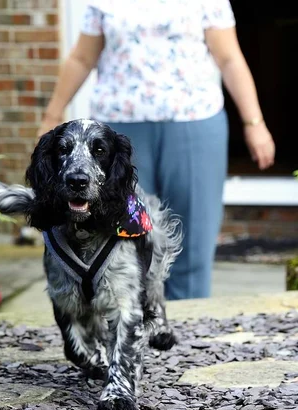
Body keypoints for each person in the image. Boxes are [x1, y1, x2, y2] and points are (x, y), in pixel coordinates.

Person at [37, 0, 275, 301]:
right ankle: (129, 328)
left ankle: (191, 325)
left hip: (195, 122)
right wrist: (51, 116)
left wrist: (255, 122)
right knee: (121, 236)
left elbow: (229, 59)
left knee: (193, 237)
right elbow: (82, 59)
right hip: (118, 134)